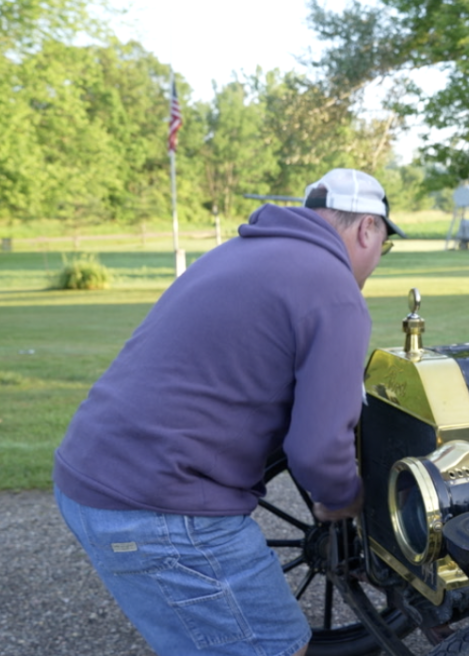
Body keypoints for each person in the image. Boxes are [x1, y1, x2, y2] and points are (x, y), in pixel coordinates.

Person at [53, 168, 404, 656]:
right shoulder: (333, 289)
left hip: (93, 475)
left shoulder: (239, 251)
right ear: (367, 228)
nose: (376, 261)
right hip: (160, 508)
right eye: (383, 245)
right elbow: (318, 448)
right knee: (276, 648)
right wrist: (342, 499)